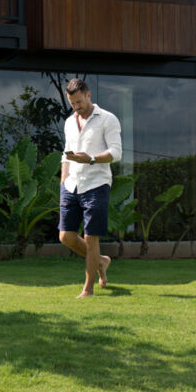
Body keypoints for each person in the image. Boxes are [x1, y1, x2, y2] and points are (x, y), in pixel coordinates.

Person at [59, 78, 122, 298]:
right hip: (72, 184)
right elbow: (66, 153)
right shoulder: (69, 122)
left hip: (97, 184)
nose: (76, 106)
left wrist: (92, 159)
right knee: (66, 237)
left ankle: (89, 289)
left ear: (88, 95)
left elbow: (116, 152)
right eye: (72, 103)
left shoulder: (108, 119)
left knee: (90, 236)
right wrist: (63, 180)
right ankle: (101, 261)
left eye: (78, 101)